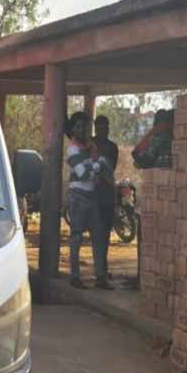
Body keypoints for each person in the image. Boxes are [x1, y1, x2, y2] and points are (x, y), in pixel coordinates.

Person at [65, 111, 112, 290]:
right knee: (76, 237)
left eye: (85, 126)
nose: (83, 130)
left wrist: (94, 167)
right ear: (72, 129)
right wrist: (98, 165)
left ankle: (100, 277)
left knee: (97, 238)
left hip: (91, 195)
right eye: (79, 126)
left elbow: (90, 171)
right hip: (78, 196)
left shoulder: (90, 146)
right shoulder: (72, 149)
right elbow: (84, 174)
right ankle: (75, 277)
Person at [93, 115, 119, 278]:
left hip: (106, 193)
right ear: (96, 128)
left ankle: (102, 267)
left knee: (105, 233)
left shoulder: (112, 147)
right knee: (98, 233)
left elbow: (111, 169)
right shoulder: (90, 144)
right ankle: (100, 269)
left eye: (106, 126)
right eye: (101, 126)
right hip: (95, 194)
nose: (104, 129)